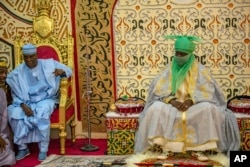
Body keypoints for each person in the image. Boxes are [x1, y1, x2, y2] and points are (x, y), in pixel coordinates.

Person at [134, 35, 240, 161]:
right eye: (177, 53)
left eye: (182, 54)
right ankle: (168, 149)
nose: (179, 57)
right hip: (172, 106)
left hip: (194, 106)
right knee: (156, 108)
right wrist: (172, 101)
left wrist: (191, 100)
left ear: (190, 54)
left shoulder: (200, 70)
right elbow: (158, 91)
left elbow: (208, 91)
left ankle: (197, 149)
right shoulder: (169, 69)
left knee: (208, 108)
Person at [6, 43, 72, 161]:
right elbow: (15, 91)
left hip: (46, 98)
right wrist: (22, 105)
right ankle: (23, 148)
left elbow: (68, 70)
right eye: (26, 57)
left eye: (31, 56)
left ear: (36, 55)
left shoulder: (49, 64)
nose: (29, 60)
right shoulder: (18, 71)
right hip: (25, 101)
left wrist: (61, 72)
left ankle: (43, 149)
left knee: (42, 111)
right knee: (13, 112)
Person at [0, 61, 16, 167]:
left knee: (8, 153)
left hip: (2, 132)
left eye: (5, 73)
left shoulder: (2, 91)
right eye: (1, 72)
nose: (4, 76)